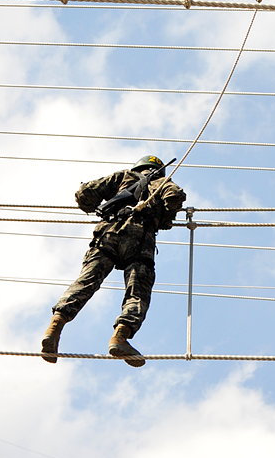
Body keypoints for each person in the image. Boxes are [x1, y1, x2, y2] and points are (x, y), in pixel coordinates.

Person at [41, 155, 186, 366]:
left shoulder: (121, 177)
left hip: (106, 235)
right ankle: (120, 337)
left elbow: (86, 194)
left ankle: (55, 327)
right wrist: (164, 218)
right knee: (138, 291)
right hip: (138, 241)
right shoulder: (162, 183)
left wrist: (96, 205)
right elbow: (174, 197)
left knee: (85, 282)